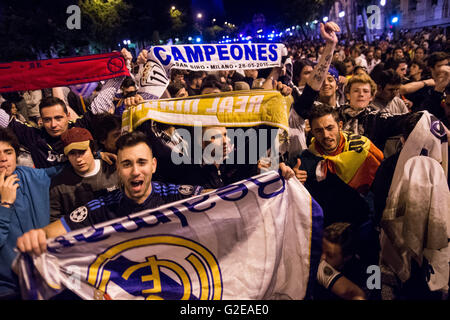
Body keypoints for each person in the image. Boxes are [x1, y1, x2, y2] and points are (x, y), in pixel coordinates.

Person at [17, 131, 205, 255]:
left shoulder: (174, 195)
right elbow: (51, 232)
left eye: (142, 162)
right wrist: (36, 237)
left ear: (153, 165)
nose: (135, 171)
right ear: (117, 168)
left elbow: (221, 198)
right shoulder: (102, 207)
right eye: (126, 164)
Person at [0, 128, 63, 299]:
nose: (3, 158)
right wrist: (5, 205)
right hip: (9, 289)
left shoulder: (30, 175)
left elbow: (63, 170)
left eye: (8, 152)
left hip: (46, 278)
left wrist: (99, 157)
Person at [49, 127, 119, 222]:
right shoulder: (59, 185)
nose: (78, 159)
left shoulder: (113, 170)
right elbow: (54, 220)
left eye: (82, 151)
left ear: (93, 150)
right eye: (72, 153)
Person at [315, 222, 370, 300]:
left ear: (347, 257)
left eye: (329, 255)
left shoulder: (362, 279)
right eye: (321, 250)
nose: (322, 257)